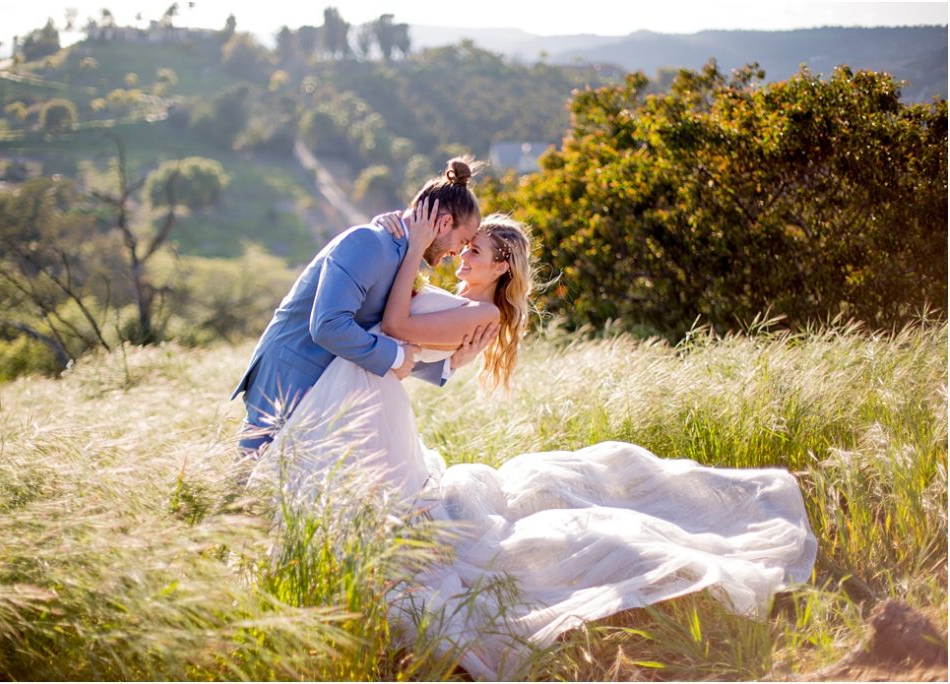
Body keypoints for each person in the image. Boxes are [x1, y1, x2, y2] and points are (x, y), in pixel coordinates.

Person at [249, 202, 817, 680]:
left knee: (412, 528)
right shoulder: (457, 301)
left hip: (372, 406)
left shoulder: (478, 311)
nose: (462, 255)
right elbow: (405, 349)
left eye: (475, 251)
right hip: (362, 404)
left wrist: (415, 243)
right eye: (464, 246)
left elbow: (395, 329)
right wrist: (415, 284)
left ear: (502, 269)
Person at [231, 156, 496, 461]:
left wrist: (448, 363)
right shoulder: (369, 242)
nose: (457, 252)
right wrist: (396, 356)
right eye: (461, 240)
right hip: (290, 377)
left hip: (327, 387)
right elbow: (328, 325)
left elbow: (373, 333)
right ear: (444, 222)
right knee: (249, 491)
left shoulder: (402, 255)